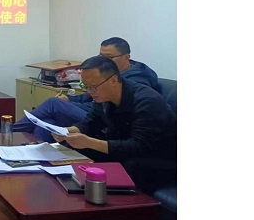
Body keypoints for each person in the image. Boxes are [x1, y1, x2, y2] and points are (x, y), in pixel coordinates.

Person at [60, 54, 176, 196]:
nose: (89, 92)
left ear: (113, 80)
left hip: (159, 158)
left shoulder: (147, 101)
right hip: (126, 149)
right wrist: (68, 131)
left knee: (132, 164)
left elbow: (140, 146)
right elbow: (91, 121)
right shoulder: (103, 96)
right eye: (86, 86)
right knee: (72, 146)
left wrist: (91, 142)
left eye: (93, 87)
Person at [32, 35, 163, 127]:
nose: (103, 61)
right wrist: (69, 99)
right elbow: (88, 97)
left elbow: (105, 105)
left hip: (107, 119)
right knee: (49, 123)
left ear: (126, 57)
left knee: (54, 103)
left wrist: (69, 105)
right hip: (95, 111)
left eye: (109, 57)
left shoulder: (138, 80)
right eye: (101, 56)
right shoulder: (106, 74)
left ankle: (18, 130)